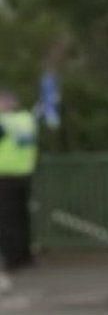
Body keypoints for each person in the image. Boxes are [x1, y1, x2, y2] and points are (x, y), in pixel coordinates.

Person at [0, 90, 38, 275]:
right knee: (22, 217)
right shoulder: (26, 119)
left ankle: (12, 259)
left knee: (8, 220)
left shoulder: (3, 122)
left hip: (5, 175)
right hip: (24, 173)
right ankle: (24, 257)